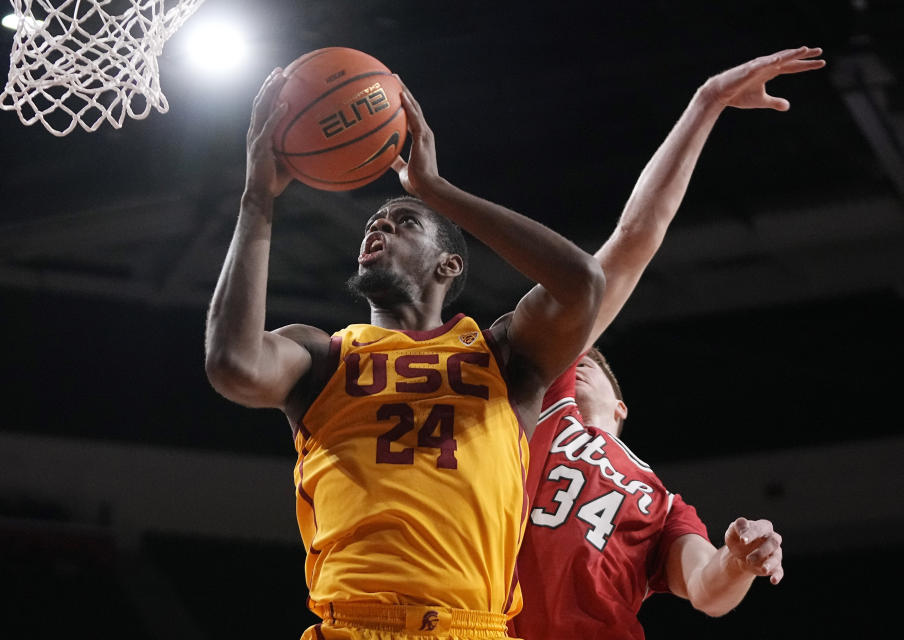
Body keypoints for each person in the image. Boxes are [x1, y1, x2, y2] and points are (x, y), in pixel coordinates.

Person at [203, 68, 604, 640]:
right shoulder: (321, 355)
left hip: (473, 627)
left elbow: (581, 282)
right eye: (372, 223)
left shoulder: (502, 354)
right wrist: (255, 200)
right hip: (353, 626)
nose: (377, 227)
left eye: (402, 222)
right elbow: (233, 365)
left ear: (449, 265)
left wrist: (435, 192)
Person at [510, 46, 825, 639]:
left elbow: (707, 591)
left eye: (593, 365)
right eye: (579, 355)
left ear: (621, 408)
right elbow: (632, 240)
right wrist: (706, 101)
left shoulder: (658, 499)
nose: (580, 364)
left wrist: (738, 560)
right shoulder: (539, 402)